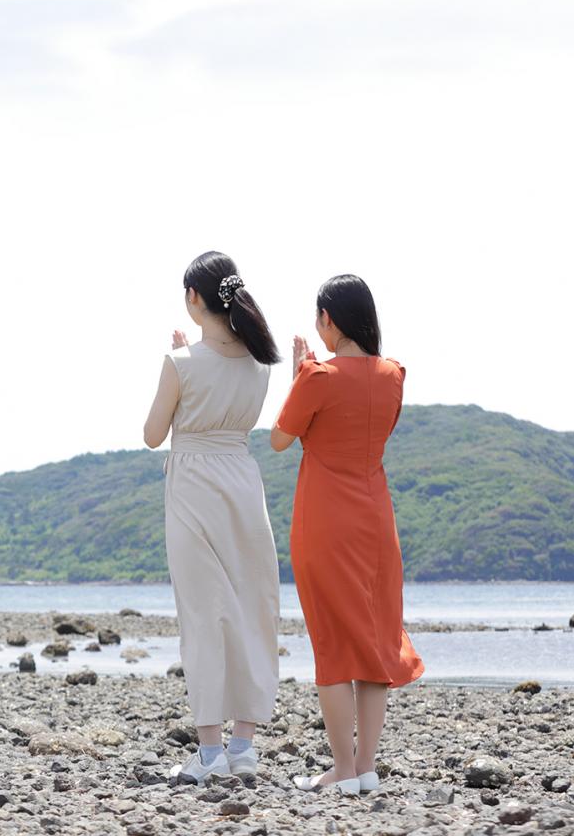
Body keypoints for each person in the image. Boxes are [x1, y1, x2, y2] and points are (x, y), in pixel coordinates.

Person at [271, 274, 424, 795]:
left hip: (324, 521)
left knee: (334, 645)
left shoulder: (318, 377)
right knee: (374, 641)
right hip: (376, 521)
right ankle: (366, 767)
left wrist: (299, 376)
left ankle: (341, 769)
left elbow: (279, 440)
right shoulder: (393, 375)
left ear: (328, 320)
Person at [143, 251, 283, 784]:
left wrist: (180, 361)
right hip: (243, 483)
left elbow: (154, 434)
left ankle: (208, 752)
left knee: (204, 615)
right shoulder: (261, 363)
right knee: (252, 608)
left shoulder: (181, 362)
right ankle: (244, 745)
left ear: (194, 298)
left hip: (194, 487)